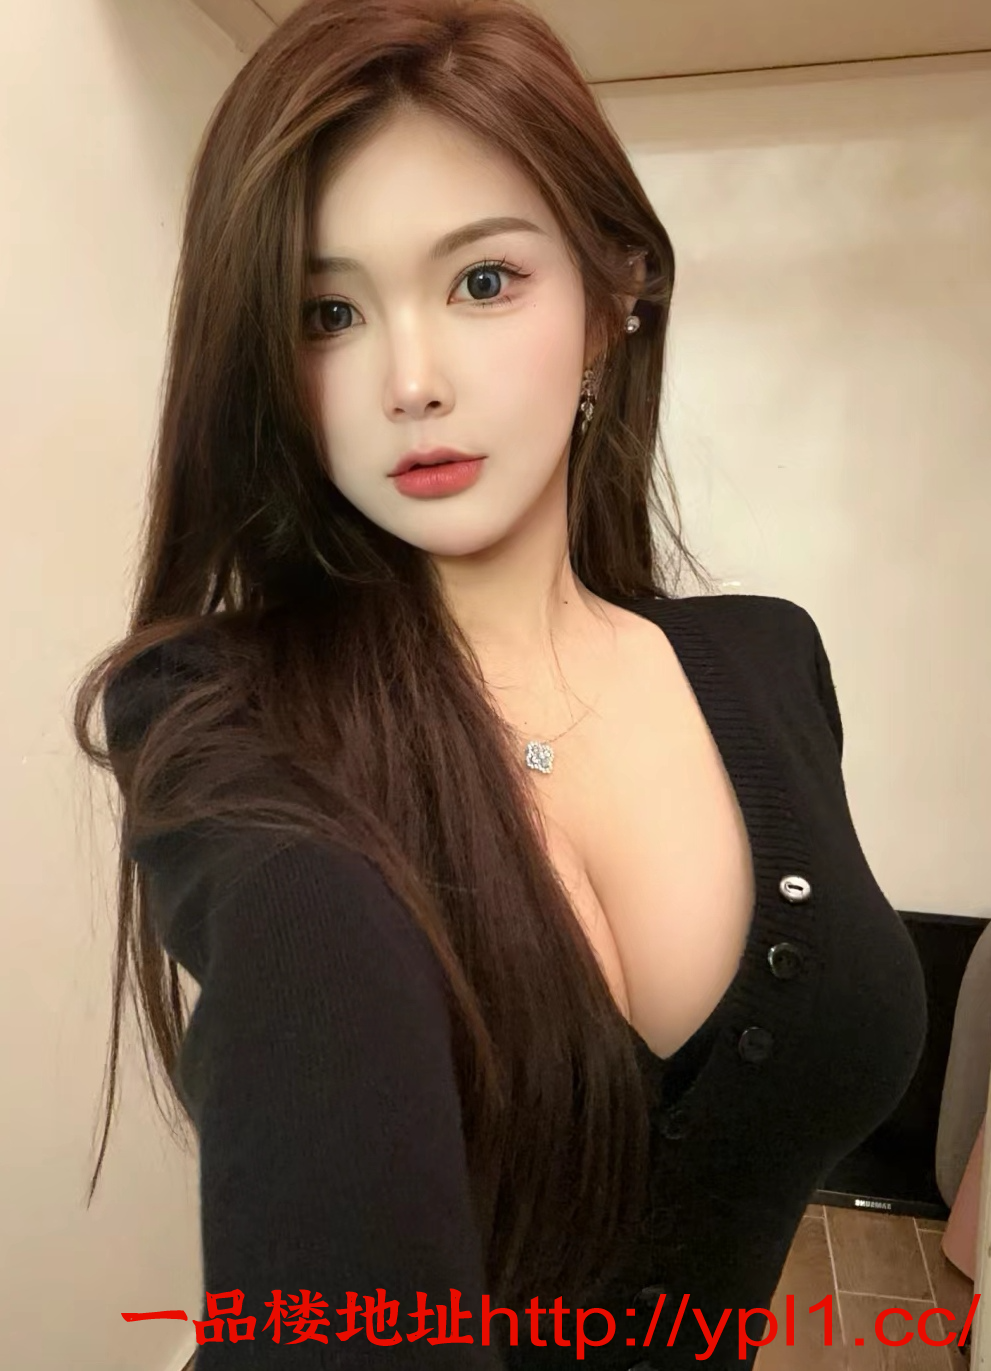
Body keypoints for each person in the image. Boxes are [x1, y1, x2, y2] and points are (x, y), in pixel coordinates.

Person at [73, 1, 928, 1366]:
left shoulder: (771, 660)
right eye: (328, 313)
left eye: (482, 281)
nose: (411, 382)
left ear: (611, 299)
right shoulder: (227, 715)